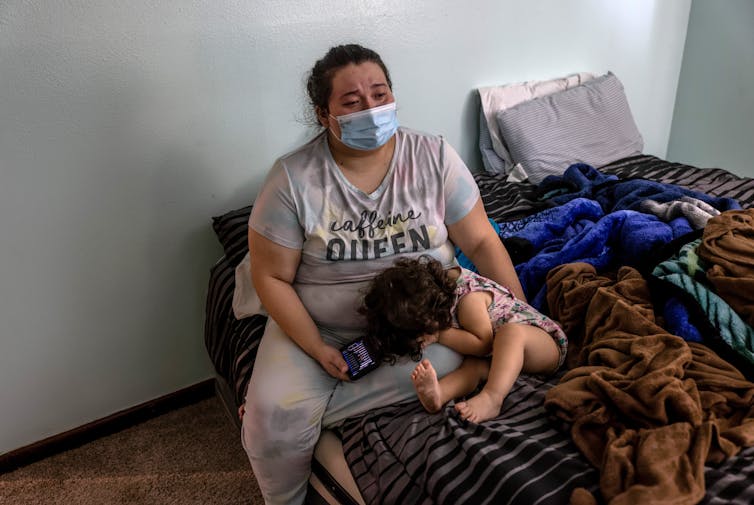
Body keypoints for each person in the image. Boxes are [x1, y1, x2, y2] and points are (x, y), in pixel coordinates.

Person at [241, 43, 526, 505]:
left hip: (424, 328)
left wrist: (517, 310)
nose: (371, 109)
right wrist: (316, 347)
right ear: (323, 113)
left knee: (463, 361)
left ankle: (299, 414)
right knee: (273, 419)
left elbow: (480, 242)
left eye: (379, 94)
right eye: (352, 103)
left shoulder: (432, 155)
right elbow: (270, 278)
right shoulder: (292, 179)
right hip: (323, 327)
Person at [360, 256, 567, 423]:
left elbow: (482, 344)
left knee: (510, 333)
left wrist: (441, 335)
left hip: (544, 344)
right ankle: (439, 395)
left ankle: (492, 397)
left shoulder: (469, 301)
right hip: (502, 358)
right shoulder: (436, 291)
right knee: (472, 367)